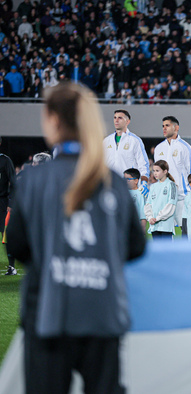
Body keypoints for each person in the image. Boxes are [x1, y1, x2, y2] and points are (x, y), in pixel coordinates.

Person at [6, 82, 146, 393]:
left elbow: (16, 245)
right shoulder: (112, 181)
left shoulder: (35, 180)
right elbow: (136, 246)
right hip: (102, 311)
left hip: (48, 313)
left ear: (54, 120)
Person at [153, 116, 191, 230]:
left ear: (176, 127)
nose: (164, 128)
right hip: (164, 198)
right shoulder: (158, 148)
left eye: (167, 125)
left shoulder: (185, 147)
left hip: (182, 197)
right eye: (163, 126)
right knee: (165, 231)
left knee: (186, 230)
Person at [103, 109, 150, 198]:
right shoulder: (106, 141)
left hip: (129, 187)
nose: (116, 120)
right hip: (110, 187)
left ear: (127, 121)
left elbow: (143, 164)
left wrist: (144, 182)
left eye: (120, 118)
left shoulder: (135, 141)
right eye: (115, 118)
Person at [144, 160, 177, 239]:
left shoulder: (171, 185)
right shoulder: (153, 186)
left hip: (166, 226)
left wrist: (158, 218)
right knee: (157, 250)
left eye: (157, 171)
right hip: (154, 225)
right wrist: (150, 218)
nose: (155, 173)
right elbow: (148, 204)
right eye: (153, 171)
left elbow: (171, 205)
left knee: (166, 250)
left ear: (165, 171)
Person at [0, 136, 15, 275]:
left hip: (2, 202)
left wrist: (11, 201)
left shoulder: (5, 160)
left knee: (6, 234)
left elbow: (13, 182)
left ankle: (11, 267)